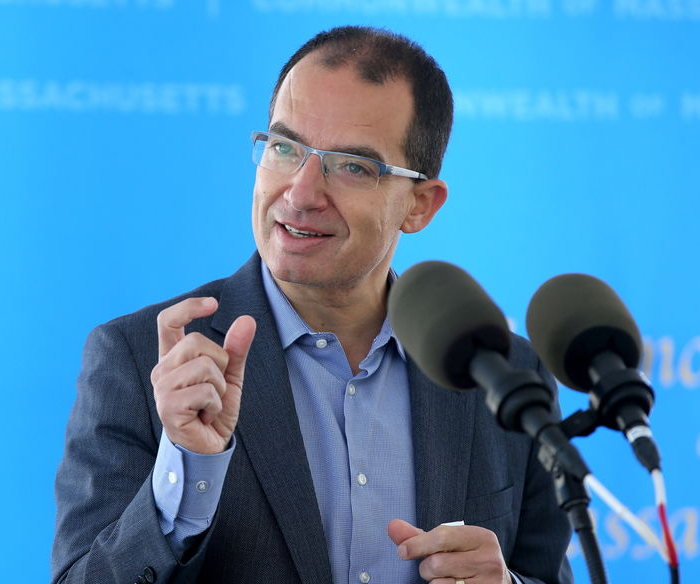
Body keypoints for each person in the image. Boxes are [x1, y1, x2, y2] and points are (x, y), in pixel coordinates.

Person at [52, 26, 573, 584]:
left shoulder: (504, 375)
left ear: (420, 205)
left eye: (352, 166)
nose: (301, 193)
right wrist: (185, 472)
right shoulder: (140, 359)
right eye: (284, 148)